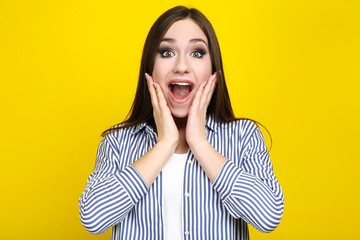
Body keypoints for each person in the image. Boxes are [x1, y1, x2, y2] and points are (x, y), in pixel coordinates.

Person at [79, 5, 284, 240]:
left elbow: (268, 216)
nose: (181, 66)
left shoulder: (243, 136)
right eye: (167, 52)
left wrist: (199, 142)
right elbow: (93, 219)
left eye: (197, 53)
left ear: (213, 70)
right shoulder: (118, 142)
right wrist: (165, 144)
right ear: (150, 68)